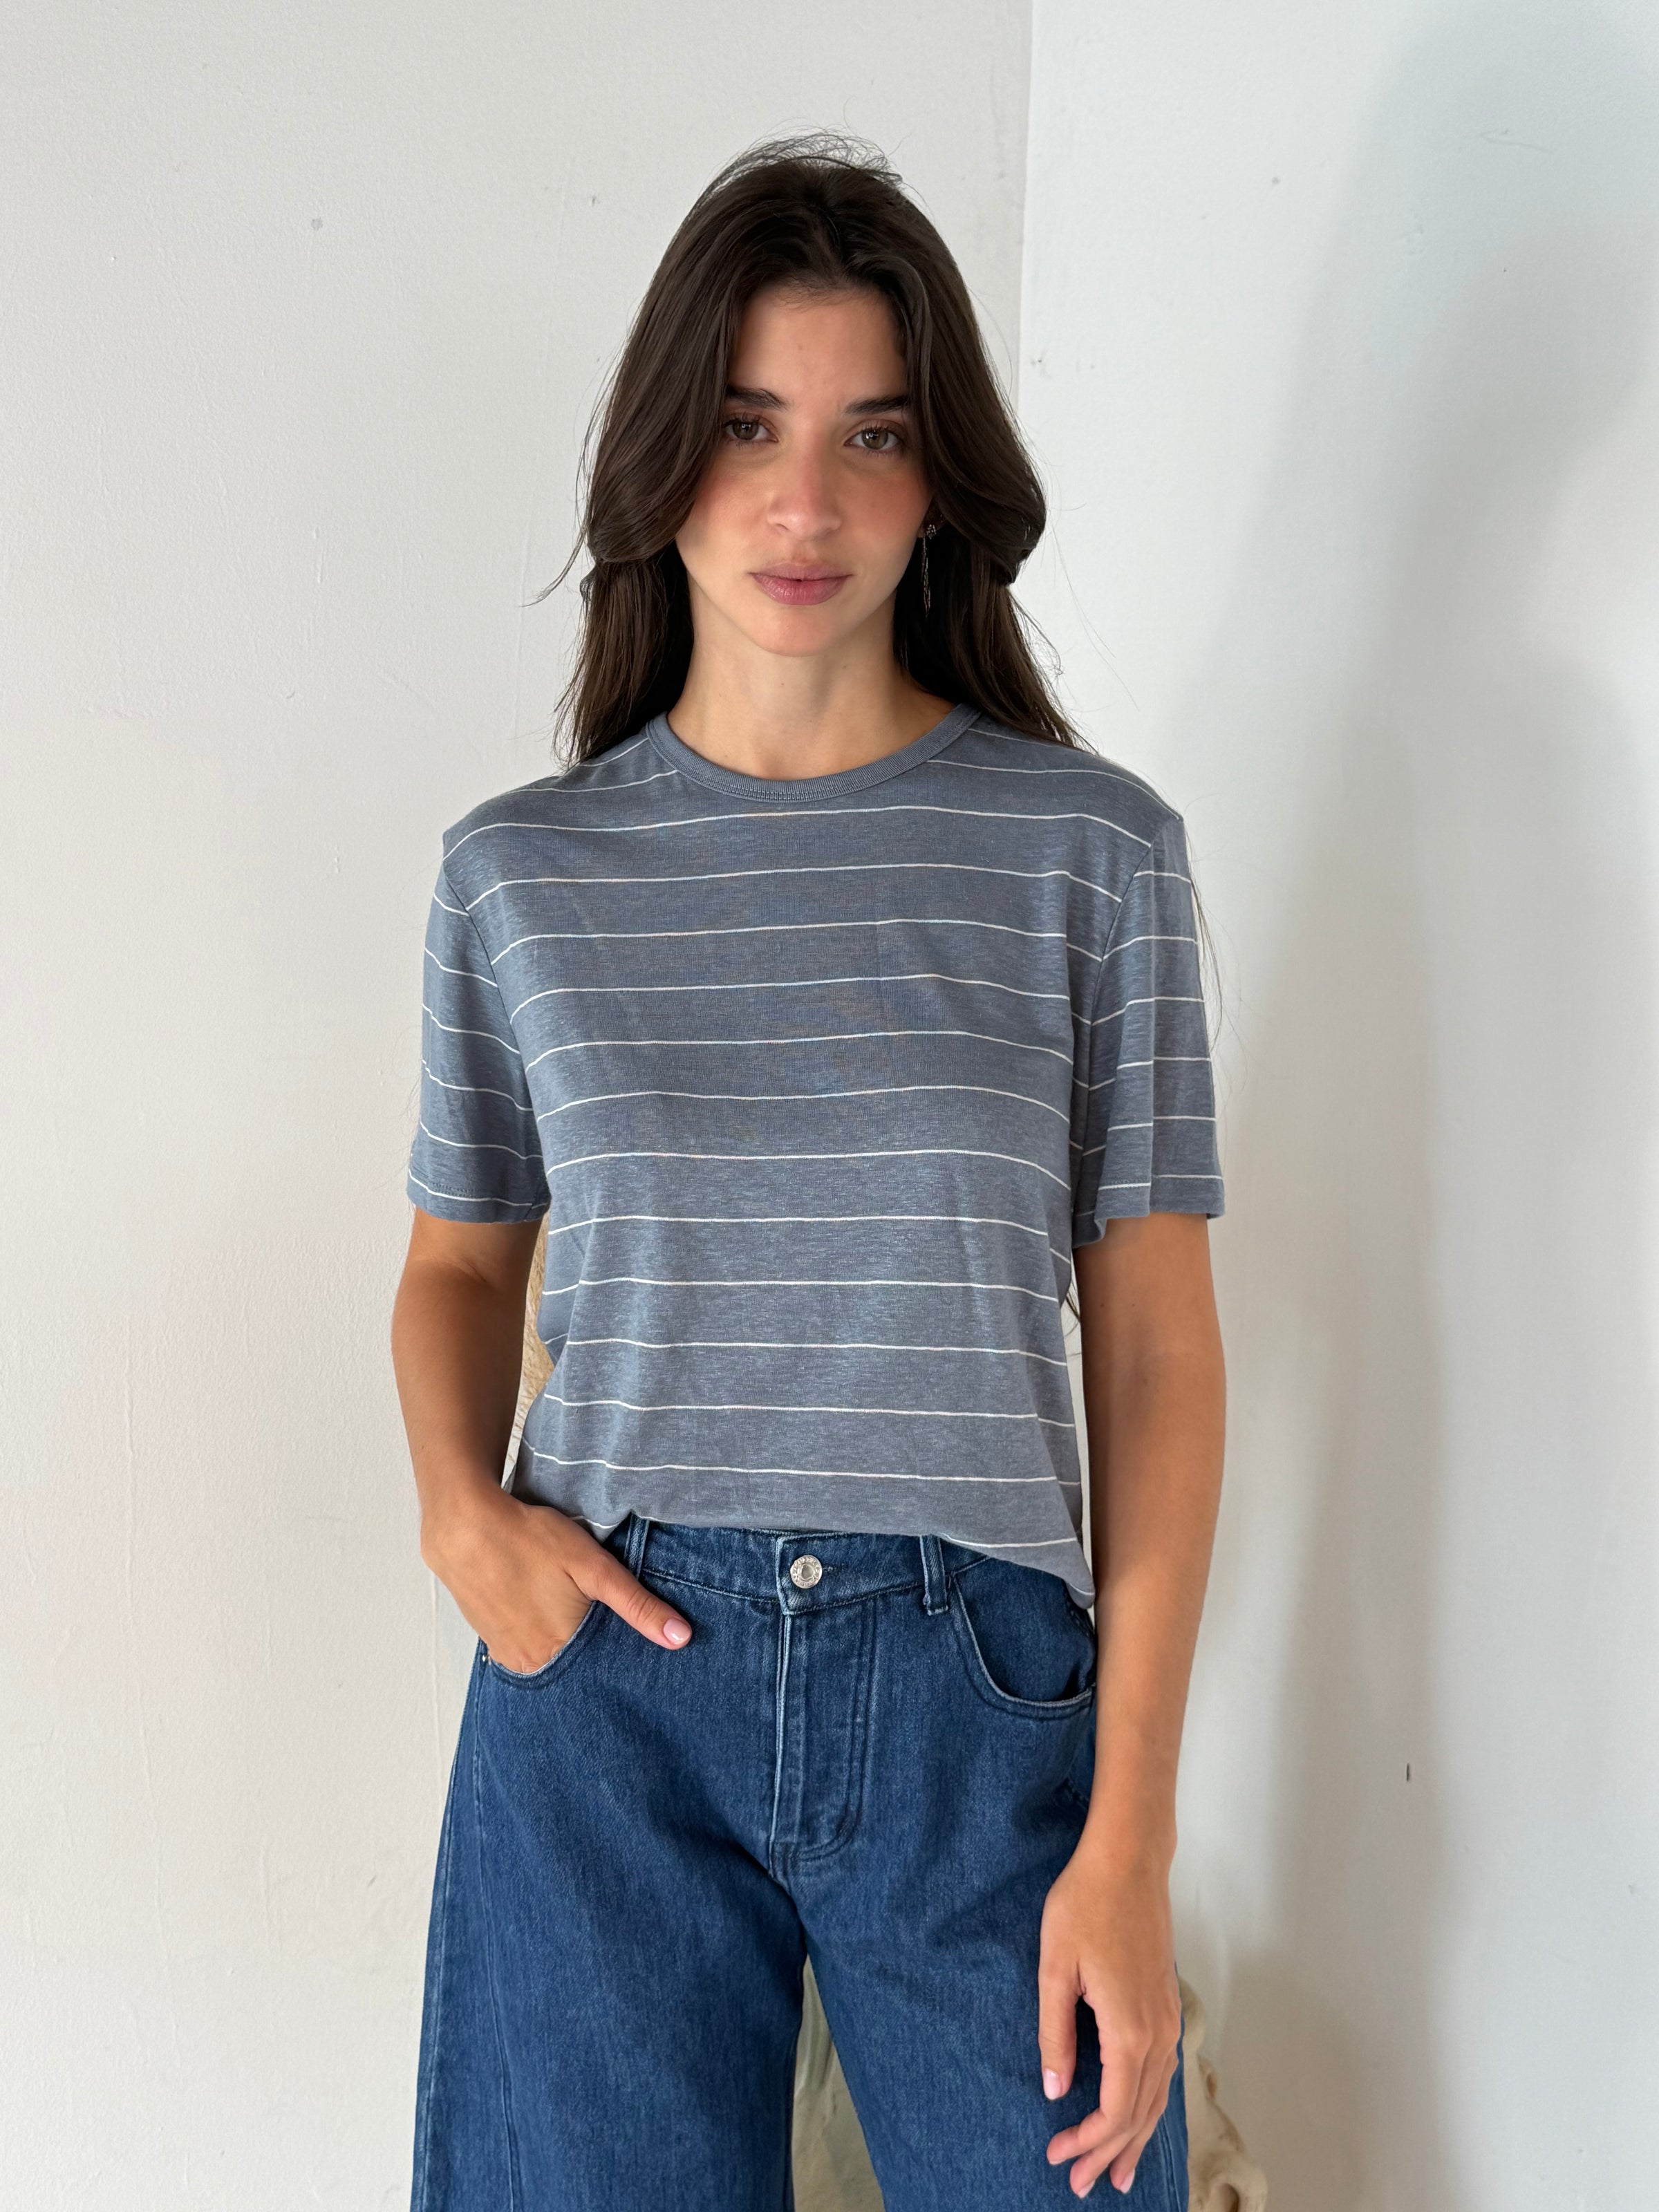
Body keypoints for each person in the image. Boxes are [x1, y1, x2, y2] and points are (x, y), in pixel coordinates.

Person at [389, 132, 1226, 2212]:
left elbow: (1154, 1351)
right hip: (608, 1690)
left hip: (982, 1700)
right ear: (665, 451)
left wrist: (1130, 1839)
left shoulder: (1093, 855)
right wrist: (460, 1514)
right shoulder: (520, 877)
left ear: (938, 481)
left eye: (873, 435)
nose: (805, 503)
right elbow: (459, 1267)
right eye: (751, 424)